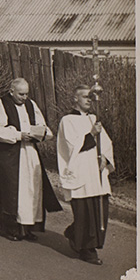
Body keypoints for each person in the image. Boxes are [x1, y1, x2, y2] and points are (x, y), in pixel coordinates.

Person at [0, 78, 62, 241]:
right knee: (13, 190)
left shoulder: (31, 105)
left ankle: (28, 227)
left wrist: (41, 134)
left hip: (29, 152)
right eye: (21, 94)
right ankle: (11, 228)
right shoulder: (0, 104)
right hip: (10, 153)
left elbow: (43, 125)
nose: (24, 98)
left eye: (26, 94)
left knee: (32, 189)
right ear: (11, 91)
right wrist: (18, 135)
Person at [57, 85, 114, 265]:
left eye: (91, 97)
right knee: (84, 211)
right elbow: (72, 147)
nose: (89, 100)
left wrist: (105, 158)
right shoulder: (68, 120)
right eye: (84, 97)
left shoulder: (94, 119)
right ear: (75, 99)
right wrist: (91, 134)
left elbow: (106, 142)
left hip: (95, 172)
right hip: (81, 171)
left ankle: (76, 234)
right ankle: (87, 250)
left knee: (99, 210)